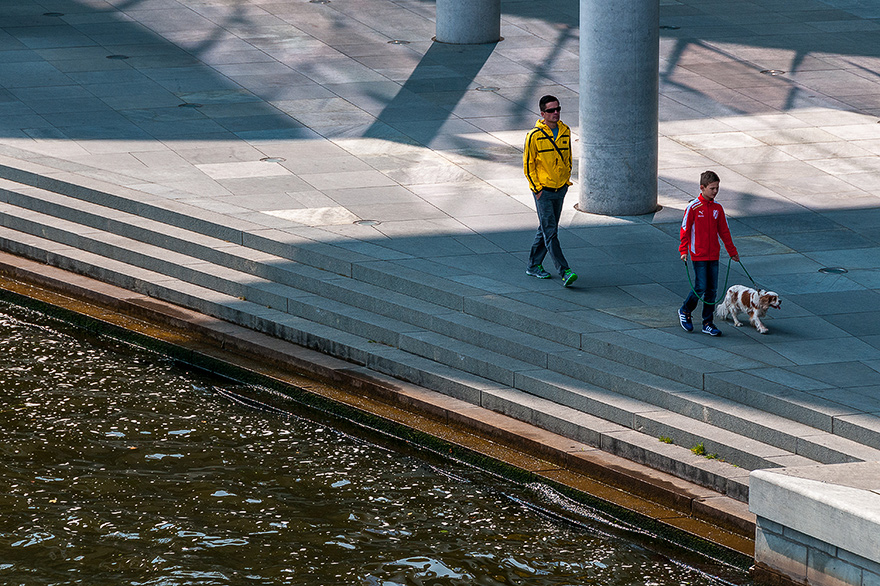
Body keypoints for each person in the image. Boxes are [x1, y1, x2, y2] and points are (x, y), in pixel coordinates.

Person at [523, 95, 578, 288]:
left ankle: (533, 265)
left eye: (558, 109)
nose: (556, 113)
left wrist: (565, 181)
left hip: (560, 188)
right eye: (551, 110)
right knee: (550, 231)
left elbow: (568, 157)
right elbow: (528, 166)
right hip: (543, 191)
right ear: (542, 113)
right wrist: (537, 189)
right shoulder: (534, 136)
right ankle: (565, 271)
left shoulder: (565, 131)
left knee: (546, 229)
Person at [678, 170, 739, 336]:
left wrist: (732, 251)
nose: (715, 191)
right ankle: (685, 310)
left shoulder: (717, 208)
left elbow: (724, 231)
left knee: (712, 290)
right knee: (700, 286)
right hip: (698, 254)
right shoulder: (693, 208)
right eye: (712, 188)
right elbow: (685, 229)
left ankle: (707, 322)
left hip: (714, 255)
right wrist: (683, 250)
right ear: (702, 188)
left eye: (717, 188)